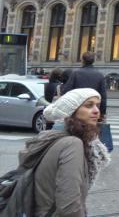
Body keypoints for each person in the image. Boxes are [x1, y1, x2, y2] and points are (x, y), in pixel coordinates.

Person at [20, 88, 111, 216]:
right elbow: (69, 206)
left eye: (97, 105)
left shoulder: (54, 137)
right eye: (89, 105)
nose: (96, 111)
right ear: (71, 111)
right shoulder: (72, 144)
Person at [61, 51, 107, 119]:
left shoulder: (75, 73)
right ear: (93, 61)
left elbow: (66, 92)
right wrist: (102, 113)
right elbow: (103, 96)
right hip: (93, 109)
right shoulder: (100, 75)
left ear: (82, 60)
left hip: (78, 109)